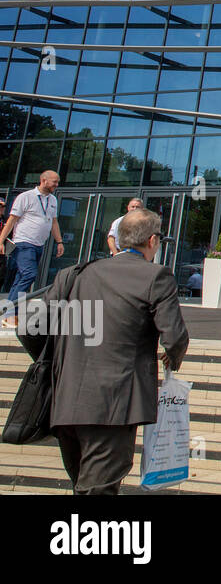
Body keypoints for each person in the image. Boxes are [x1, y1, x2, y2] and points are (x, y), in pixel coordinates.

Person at [48, 208, 189, 494]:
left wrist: (60, 358)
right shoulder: (156, 276)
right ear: (152, 241)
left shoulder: (75, 273)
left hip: (65, 401)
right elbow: (174, 337)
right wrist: (173, 359)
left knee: (84, 485)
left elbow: (32, 325)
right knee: (99, 489)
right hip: (114, 404)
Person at [0, 170, 65, 327]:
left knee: (20, 279)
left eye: (57, 182)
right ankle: (9, 313)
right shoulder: (26, 197)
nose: (57, 185)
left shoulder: (53, 200)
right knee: (29, 275)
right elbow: (12, 220)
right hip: (23, 243)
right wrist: (1, 240)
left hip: (38, 245)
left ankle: (9, 315)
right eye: (54, 182)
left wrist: (59, 241)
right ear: (43, 180)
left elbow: (54, 222)